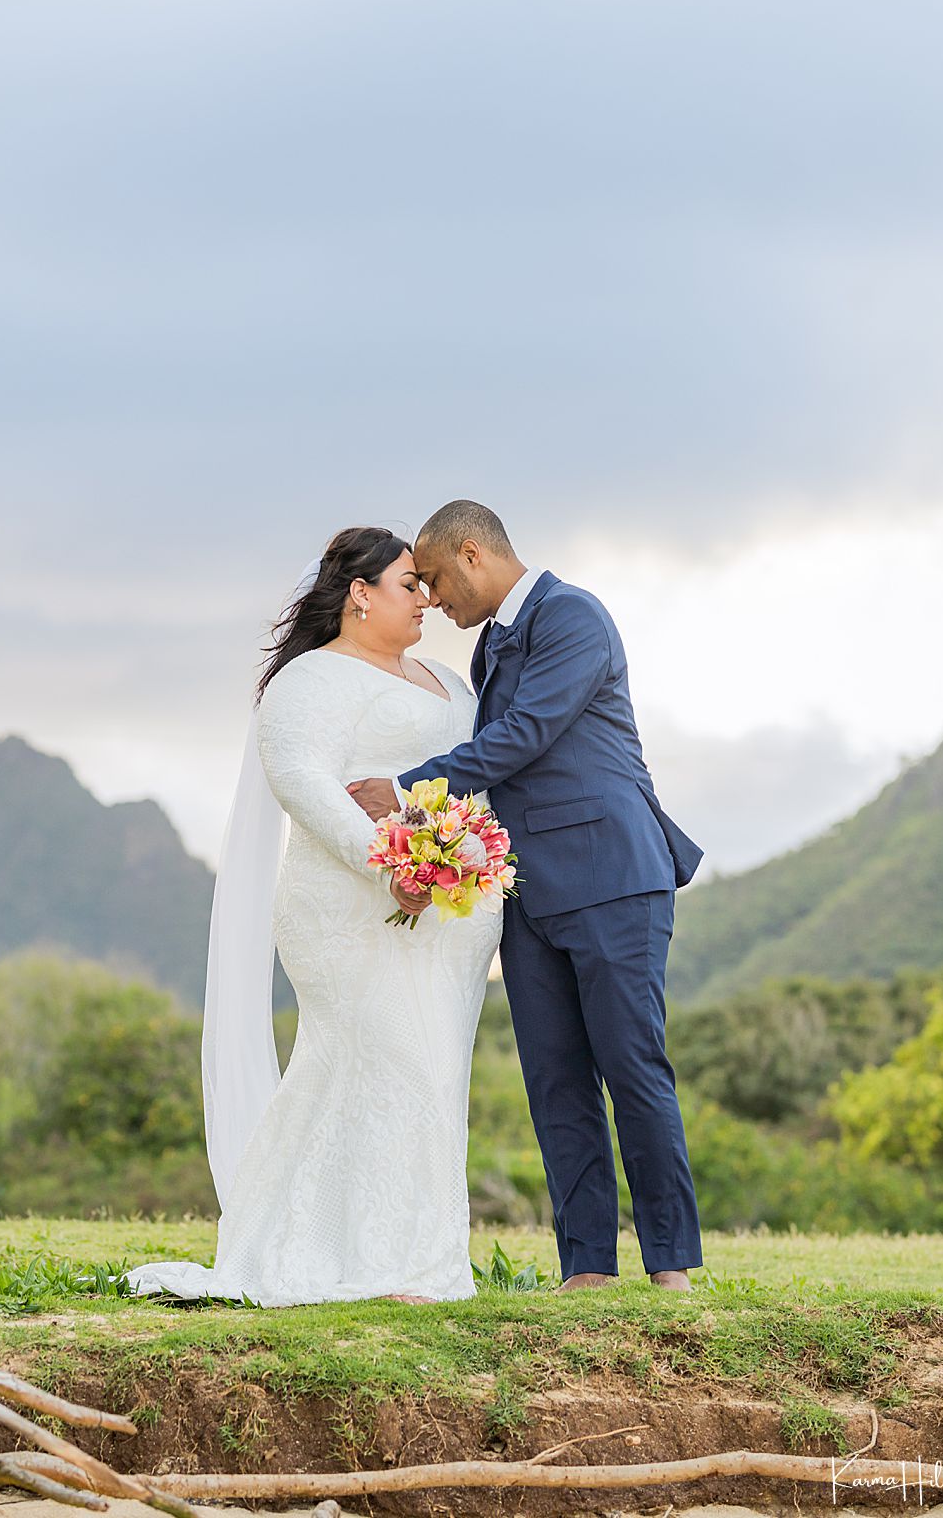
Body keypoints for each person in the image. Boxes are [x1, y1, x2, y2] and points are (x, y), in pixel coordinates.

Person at [124, 525, 502, 1306]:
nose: (425, 598)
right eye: (408, 583)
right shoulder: (311, 680)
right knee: (395, 1059)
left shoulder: (445, 681)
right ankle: (381, 1262)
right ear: (359, 594)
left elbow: (477, 774)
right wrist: (390, 864)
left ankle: (398, 1248)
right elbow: (302, 778)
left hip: (450, 918)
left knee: (426, 1072)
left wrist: (462, 858)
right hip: (349, 911)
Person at [349, 499, 703, 1290]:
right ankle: (588, 1271)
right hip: (526, 895)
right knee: (554, 1078)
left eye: (436, 580)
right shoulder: (491, 652)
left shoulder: (572, 615)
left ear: (474, 554)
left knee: (631, 1066)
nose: (434, 601)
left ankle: (672, 1267)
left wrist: (408, 790)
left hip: (614, 877)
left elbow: (524, 736)